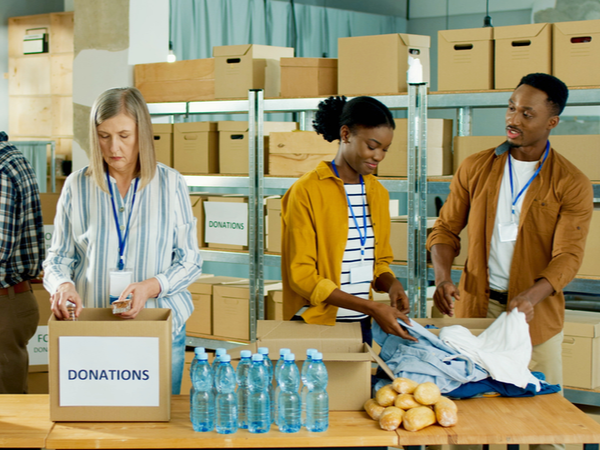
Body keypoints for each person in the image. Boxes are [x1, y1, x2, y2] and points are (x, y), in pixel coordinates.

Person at [427, 73, 594, 393]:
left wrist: (529, 299)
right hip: (475, 308)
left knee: (545, 420)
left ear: (552, 122)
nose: (513, 119)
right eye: (511, 107)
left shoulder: (571, 182)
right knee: (468, 411)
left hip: (535, 318)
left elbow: (568, 256)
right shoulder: (474, 167)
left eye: (527, 114)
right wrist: (443, 277)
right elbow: (446, 229)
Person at [43, 87, 202, 394]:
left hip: (158, 326)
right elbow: (58, 258)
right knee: (96, 427)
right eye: (103, 136)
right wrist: (62, 285)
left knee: (157, 433)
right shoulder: (78, 185)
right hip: (93, 330)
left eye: (124, 135)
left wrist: (150, 287)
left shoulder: (171, 184)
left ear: (142, 132)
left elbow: (190, 260)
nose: (114, 147)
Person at [281, 96, 415, 345]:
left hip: (361, 321)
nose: (379, 156)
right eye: (372, 146)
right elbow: (301, 275)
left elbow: (379, 261)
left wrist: (392, 283)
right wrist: (372, 307)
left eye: (385, 149)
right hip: (316, 323)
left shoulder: (378, 193)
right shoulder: (306, 191)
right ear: (346, 135)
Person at [0, 131, 44, 393]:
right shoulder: (10, 158)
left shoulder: (2, 167)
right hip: (11, 298)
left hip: (4, 303)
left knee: (5, 415)